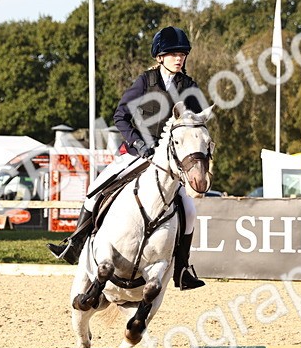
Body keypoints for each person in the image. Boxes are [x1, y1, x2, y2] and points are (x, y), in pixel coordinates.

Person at [47, 25, 206, 290]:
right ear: (159, 57)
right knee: (95, 190)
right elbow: (121, 116)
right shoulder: (145, 81)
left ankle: (182, 269)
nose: (179, 58)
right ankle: (74, 245)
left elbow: (197, 124)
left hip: (168, 164)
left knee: (188, 210)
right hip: (135, 153)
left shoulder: (189, 87)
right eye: (172, 54)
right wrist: (138, 144)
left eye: (182, 54)